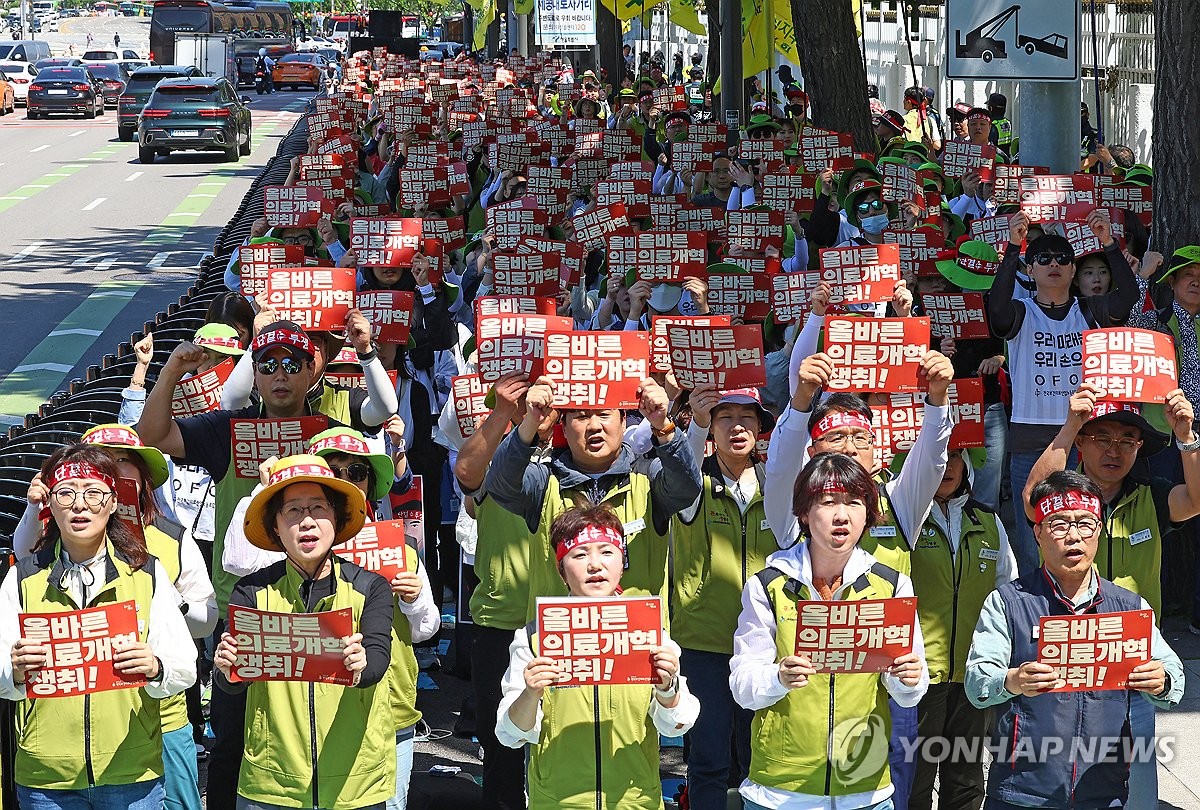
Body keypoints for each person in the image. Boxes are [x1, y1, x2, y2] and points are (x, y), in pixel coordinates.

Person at [137, 321, 338, 809]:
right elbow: (152, 436)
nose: (280, 375)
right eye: (267, 365)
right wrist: (168, 371)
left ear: (314, 372)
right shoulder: (228, 428)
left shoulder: (331, 434)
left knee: (314, 735)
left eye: (293, 364)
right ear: (255, 373)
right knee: (230, 739)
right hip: (242, 605)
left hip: (320, 603)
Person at [1019, 387, 1200, 808]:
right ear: (1082, 443)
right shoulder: (1063, 499)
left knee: (1135, 781)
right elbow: (1032, 500)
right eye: (1102, 438)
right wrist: (1070, 425)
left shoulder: (1151, 494)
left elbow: (1195, 499)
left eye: (1126, 441)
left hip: (1131, 660)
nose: (1114, 450)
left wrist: (1188, 438)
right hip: (1065, 656)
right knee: (1058, 775)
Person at [964, 471, 1184, 809]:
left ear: (1098, 531)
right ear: (1037, 532)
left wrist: (1161, 679)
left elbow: (1173, 676)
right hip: (1021, 790)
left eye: (1084, 524)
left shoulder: (1129, 607)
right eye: (1059, 524)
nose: (1073, 537)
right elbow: (977, 683)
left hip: (1103, 788)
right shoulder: (1007, 602)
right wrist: (1013, 680)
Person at [0, 444, 197, 809]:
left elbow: (184, 666)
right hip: (47, 780)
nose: (79, 505)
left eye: (94, 493)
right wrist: (12, 670)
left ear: (112, 503)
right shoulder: (21, 579)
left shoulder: (147, 573)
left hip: (132, 774)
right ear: (49, 503)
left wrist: (155, 667)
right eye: (66, 493)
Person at [730, 453, 929, 809]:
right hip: (780, 791)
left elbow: (908, 694)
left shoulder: (893, 585)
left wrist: (910, 677)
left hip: (865, 788)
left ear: (868, 513)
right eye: (827, 502)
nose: (842, 515)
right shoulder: (769, 585)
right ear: (804, 513)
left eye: (854, 502)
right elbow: (743, 687)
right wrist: (779, 678)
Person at [213, 455, 396, 809]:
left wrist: (360, 666)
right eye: (292, 511)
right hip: (270, 785)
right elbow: (231, 684)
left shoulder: (371, 587)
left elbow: (377, 661)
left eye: (318, 508)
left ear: (337, 518)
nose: (307, 521)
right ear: (276, 527)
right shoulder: (250, 591)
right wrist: (228, 671)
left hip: (355, 784)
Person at [495, 504, 699, 809]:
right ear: (561, 570)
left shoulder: (648, 629)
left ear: (621, 562)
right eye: (579, 555)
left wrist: (668, 690)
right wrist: (530, 692)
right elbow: (510, 735)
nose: (595, 565)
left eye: (607, 552)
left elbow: (677, 725)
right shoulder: (535, 636)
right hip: (557, 801)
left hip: (634, 800)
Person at [986, 209, 1138, 576]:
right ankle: (1034, 613)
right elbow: (996, 310)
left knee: (1080, 529)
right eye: (1043, 259)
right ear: (1031, 270)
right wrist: (1012, 247)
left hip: (1082, 440)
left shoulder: (1088, 309)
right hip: (1028, 441)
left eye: (1063, 259)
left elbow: (1128, 296)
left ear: (1073, 272)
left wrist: (1108, 244)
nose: (1054, 264)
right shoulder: (1020, 312)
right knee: (1031, 533)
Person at [483, 375, 702, 606]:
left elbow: (687, 487)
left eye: (605, 414)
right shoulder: (544, 481)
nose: (594, 426)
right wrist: (530, 423)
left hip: (637, 637)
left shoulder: (647, 477)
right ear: (564, 429)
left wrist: (663, 424)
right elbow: (500, 486)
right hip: (559, 636)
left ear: (623, 421)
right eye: (581, 416)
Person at [672, 386, 778, 810]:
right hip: (703, 643)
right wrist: (695, 422)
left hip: (765, 645)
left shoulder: (778, 484)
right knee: (709, 761)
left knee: (760, 762)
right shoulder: (692, 485)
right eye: (725, 416)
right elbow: (683, 465)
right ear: (711, 429)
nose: (738, 426)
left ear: (761, 427)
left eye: (748, 417)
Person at [908, 445, 1016, 810]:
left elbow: (1007, 589)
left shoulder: (987, 520)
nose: (947, 465)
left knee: (967, 777)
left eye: (957, 456)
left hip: (973, 672)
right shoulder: (905, 517)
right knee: (915, 776)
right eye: (939, 456)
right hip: (920, 674)